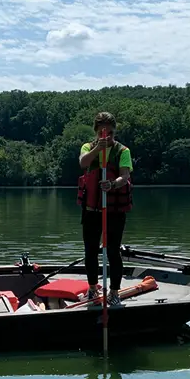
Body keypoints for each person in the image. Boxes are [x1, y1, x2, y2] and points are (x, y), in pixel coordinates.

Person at [77, 111, 133, 306]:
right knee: (90, 251)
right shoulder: (87, 147)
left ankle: (114, 293)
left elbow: (124, 176)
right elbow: (83, 163)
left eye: (109, 132)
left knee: (112, 251)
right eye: (102, 132)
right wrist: (96, 150)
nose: (106, 136)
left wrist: (112, 184)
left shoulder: (122, 151)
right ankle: (92, 290)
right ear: (96, 131)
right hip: (92, 210)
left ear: (114, 131)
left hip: (114, 211)